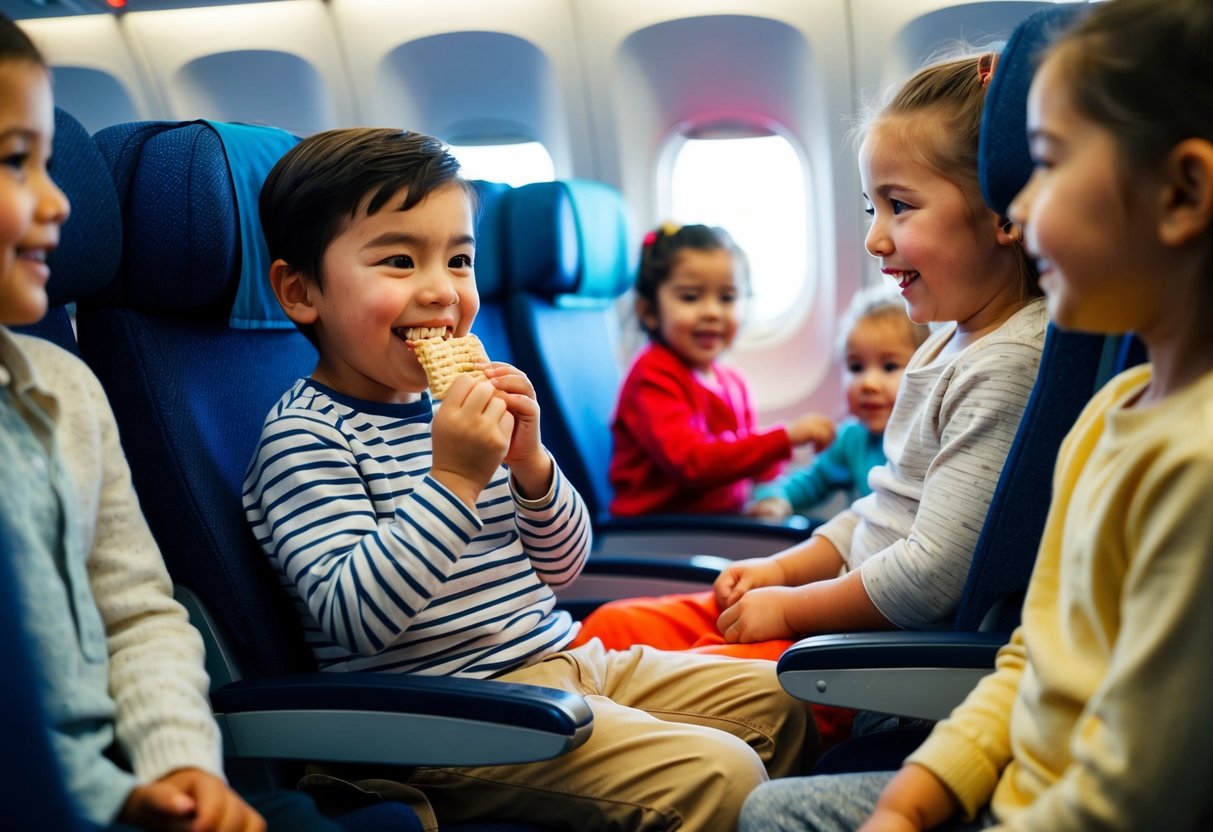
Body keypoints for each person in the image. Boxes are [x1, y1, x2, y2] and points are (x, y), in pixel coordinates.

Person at [244, 127, 812, 831]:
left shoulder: (454, 408)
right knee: (720, 775)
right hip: (446, 718)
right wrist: (452, 479)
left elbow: (563, 568)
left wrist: (531, 466)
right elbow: (357, 620)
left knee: (787, 699)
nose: (441, 292)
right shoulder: (305, 438)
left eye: (458, 259)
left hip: (557, 656)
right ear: (300, 292)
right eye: (398, 260)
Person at [740, 0, 1213, 828]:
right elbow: (1036, 655)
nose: (1016, 212)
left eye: (1046, 167)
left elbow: (1134, 792)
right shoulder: (1107, 413)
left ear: (1182, 193)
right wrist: (923, 790)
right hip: (1004, 761)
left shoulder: (1192, 466)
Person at [571, 49, 1046, 669]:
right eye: (872, 208)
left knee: (629, 674)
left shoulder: (1005, 363)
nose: (875, 238)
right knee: (610, 624)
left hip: (856, 654)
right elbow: (881, 512)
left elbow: (929, 576)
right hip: (836, 606)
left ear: (1002, 214)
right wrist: (780, 569)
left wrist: (791, 608)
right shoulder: (946, 342)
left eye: (899, 206)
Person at [0, 15, 342, 832]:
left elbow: (138, 611)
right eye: (17, 163)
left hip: (136, 781)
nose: (59, 202)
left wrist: (182, 767)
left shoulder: (65, 391)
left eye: (51, 164)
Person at [607, 222, 837, 516]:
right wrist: (785, 438)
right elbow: (693, 463)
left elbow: (753, 464)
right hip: (659, 529)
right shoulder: (652, 374)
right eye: (690, 297)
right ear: (649, 311)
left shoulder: (733, 382)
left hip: (714, 524)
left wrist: (773, 495)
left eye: (727, 298)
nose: (713, 312)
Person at [747, 285, 929, 522]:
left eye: (889, 366)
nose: (869, 383)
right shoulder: (853, 437)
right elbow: (814, 480)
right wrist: (776, 497)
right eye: (856, 367)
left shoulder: (926, 436)